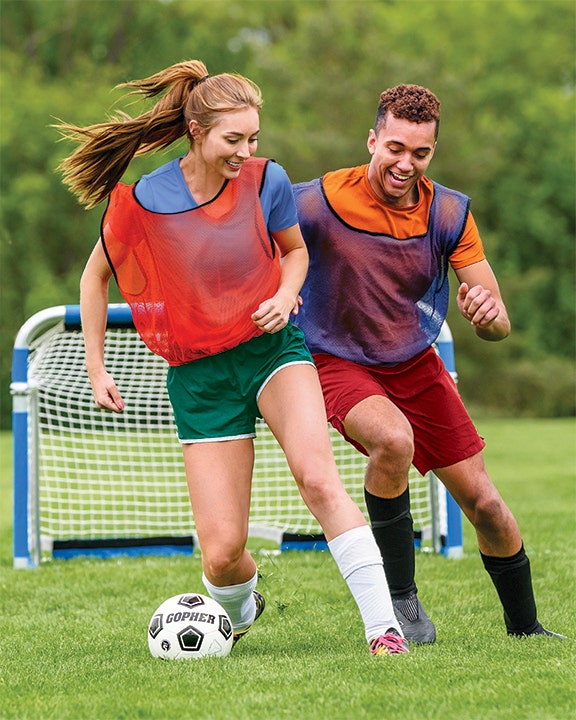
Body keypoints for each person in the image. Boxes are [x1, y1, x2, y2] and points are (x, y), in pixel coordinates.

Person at [55, 60, 409, 656]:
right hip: (199, 377)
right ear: (196, 132)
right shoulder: (144, 199)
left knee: (318, 478)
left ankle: (384, 630)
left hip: (273, 354)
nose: (246, 151)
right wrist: (96, 368)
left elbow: (293, 254)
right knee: (221, 556)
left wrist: (284, 293)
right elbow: (96, 280)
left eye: (253, 138)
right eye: (233, 139)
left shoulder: (267, 181)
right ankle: (241, 608)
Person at [292, 83, 565, 643]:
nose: (405, 163)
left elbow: (498, 324)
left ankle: (527, 630)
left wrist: (486, 314)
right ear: (372, 140)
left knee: (486, 504)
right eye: (395, 148)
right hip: (333, 357)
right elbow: (256, 242)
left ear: (432, 152)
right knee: (392, 441)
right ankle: (400, 600)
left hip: (413, 361)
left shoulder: (448, 213)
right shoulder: (315, 201)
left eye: (420, 153)